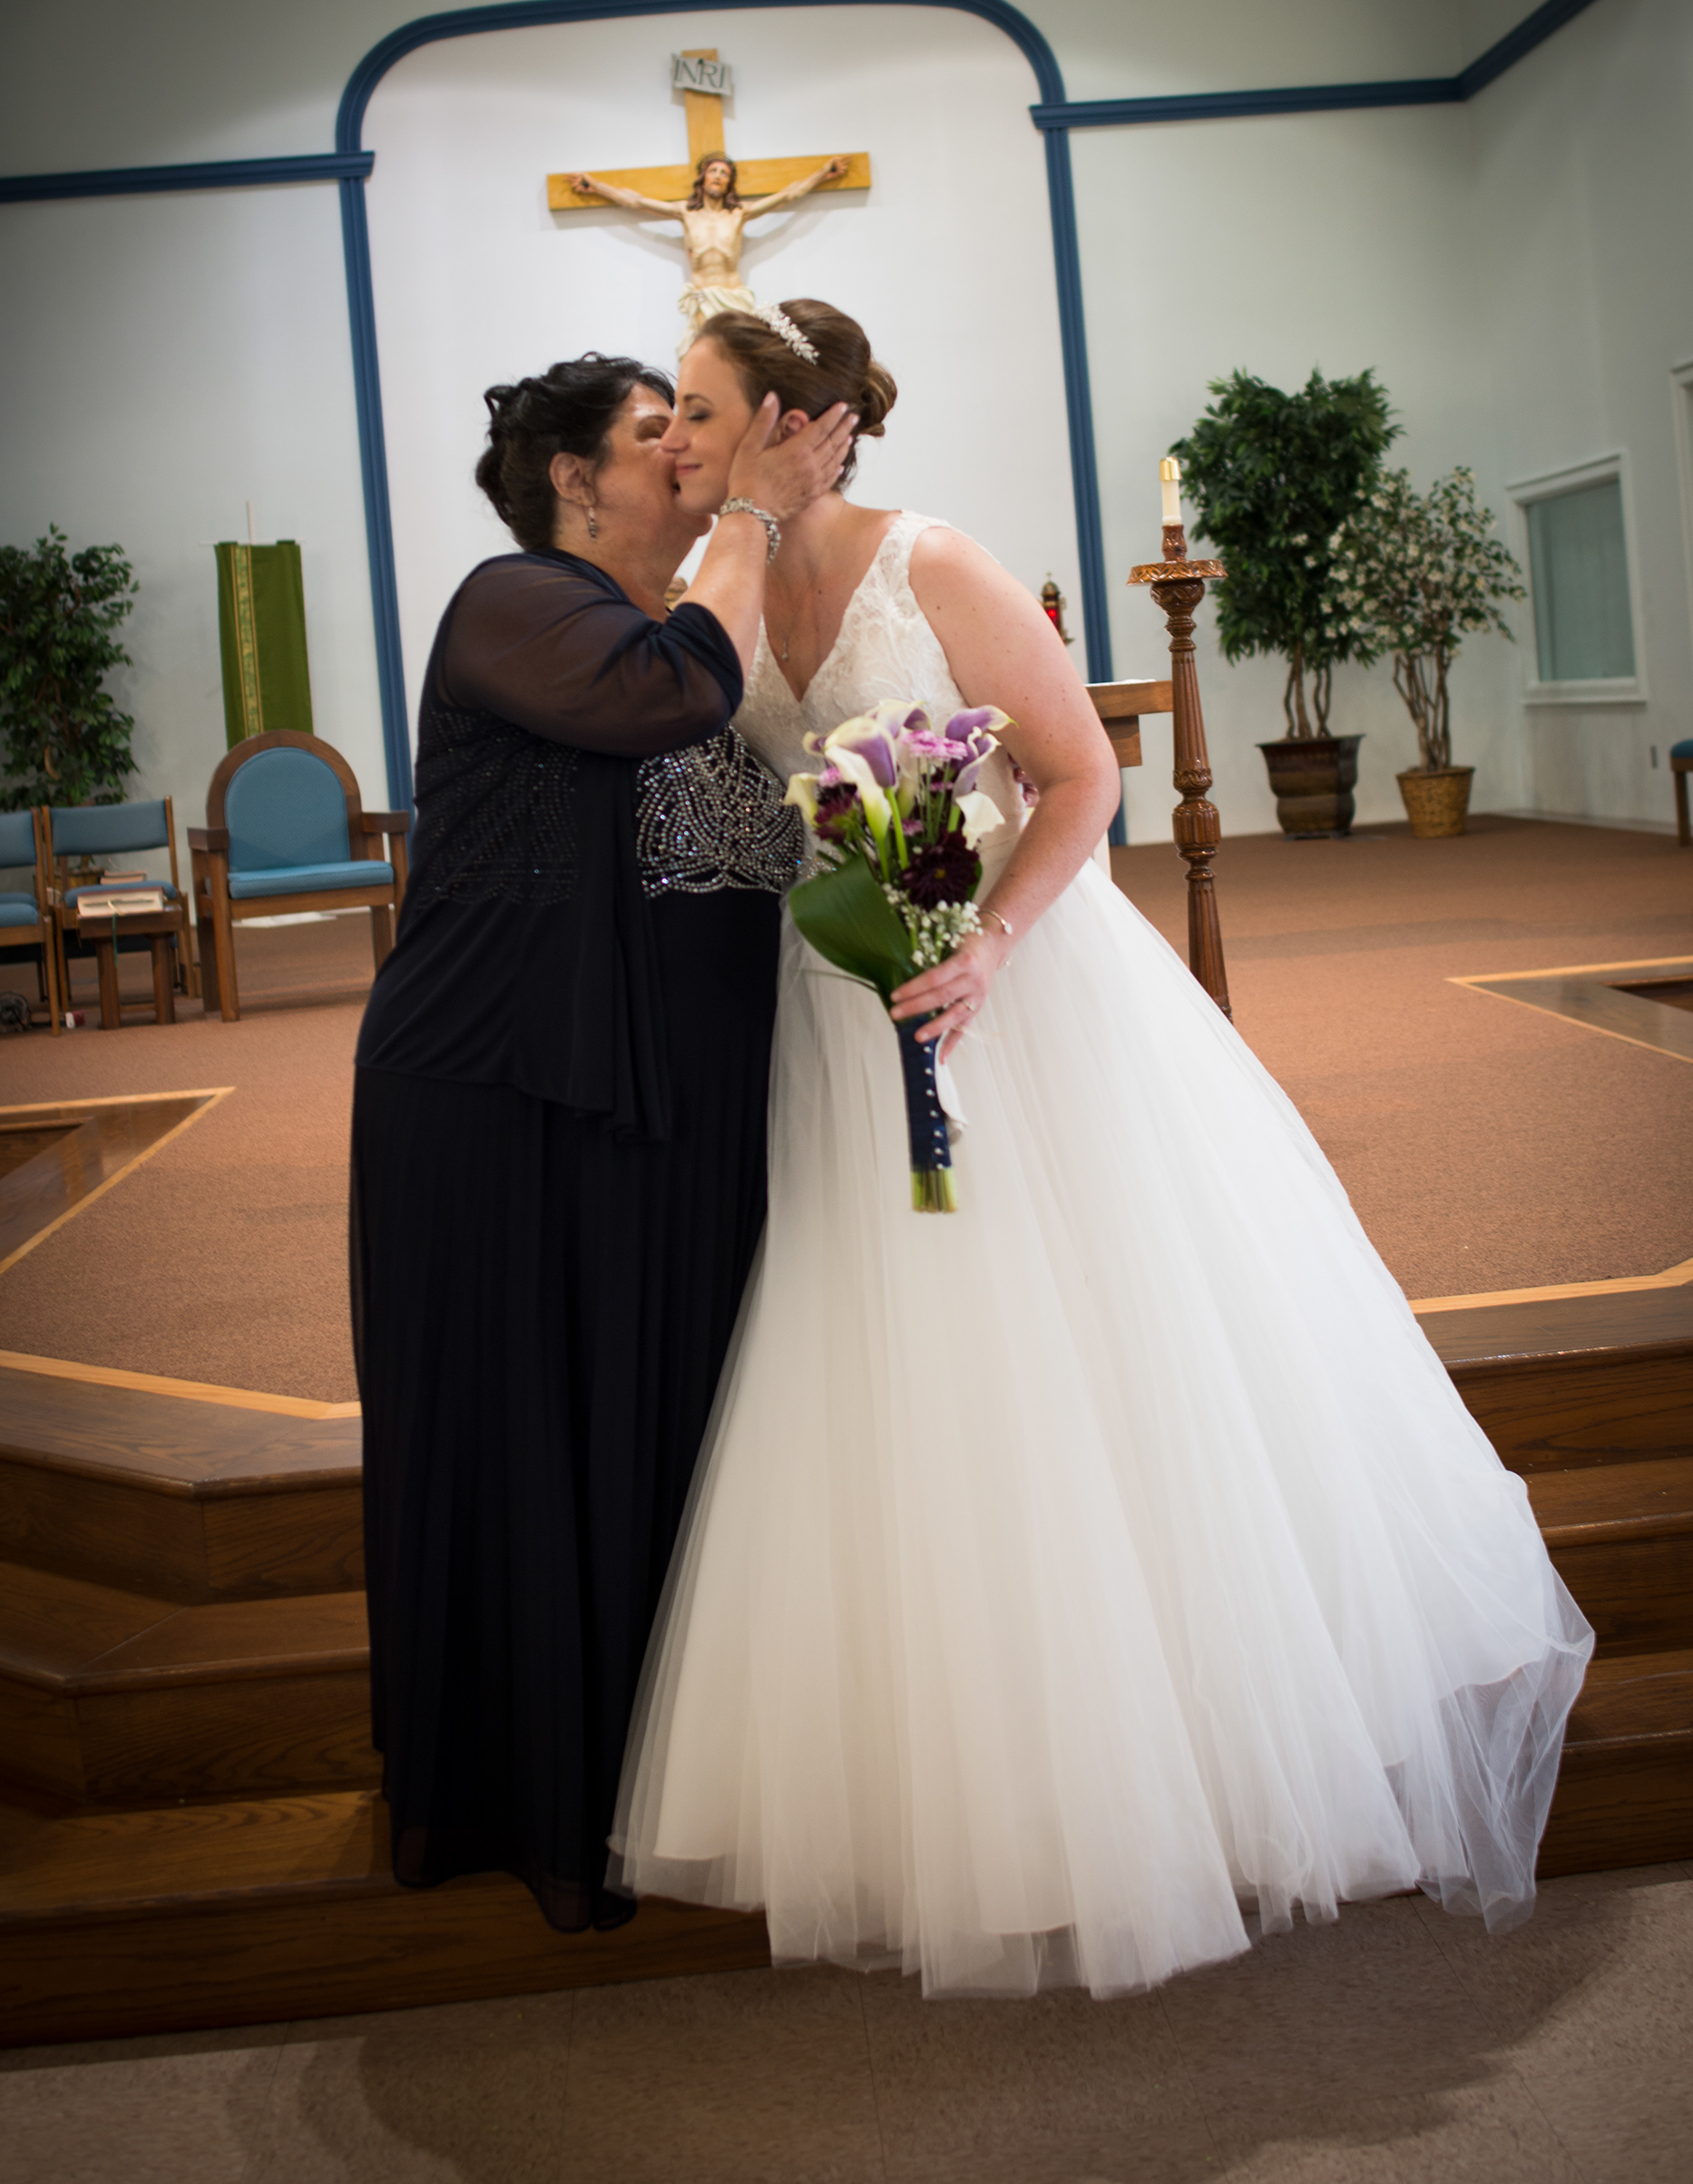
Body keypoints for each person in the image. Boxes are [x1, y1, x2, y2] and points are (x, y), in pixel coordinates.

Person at [610, 299, 1595, 1996]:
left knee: (1094, 1337)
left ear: (788, 419)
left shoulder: (936, 564)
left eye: (696, 410)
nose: (672, 441)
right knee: (897, 1353)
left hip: (1015, 994)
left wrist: (983, 941)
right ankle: (965, 1777)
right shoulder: (717, 585)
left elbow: (1078, 778)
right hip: (838, 1012)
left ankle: (1192, 1749)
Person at [350, 349, 853, 1930]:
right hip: (500, 1102)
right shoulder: (516, 604)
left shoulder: (699, 631)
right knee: (531, 1435)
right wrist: (755, 517)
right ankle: (525, 1794)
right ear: (574, 482)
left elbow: (757, 829)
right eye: (656, 435)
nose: (689, 456)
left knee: (659, 1430)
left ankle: (661, 1784)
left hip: (671, 1114)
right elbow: (663, 701)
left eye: (691, 428)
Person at [571, 153, 850, 348]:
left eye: (724, 173)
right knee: (710, 351)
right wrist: (595, 186)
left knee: (743, 354)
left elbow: (789, 194)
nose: (718, 176)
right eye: (713, 171)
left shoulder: (739, 213)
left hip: (734, 295)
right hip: (704, 298)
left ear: (730, 183)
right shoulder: (686, 212)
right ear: (703, 177)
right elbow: (636, 201)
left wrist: (823, 173)